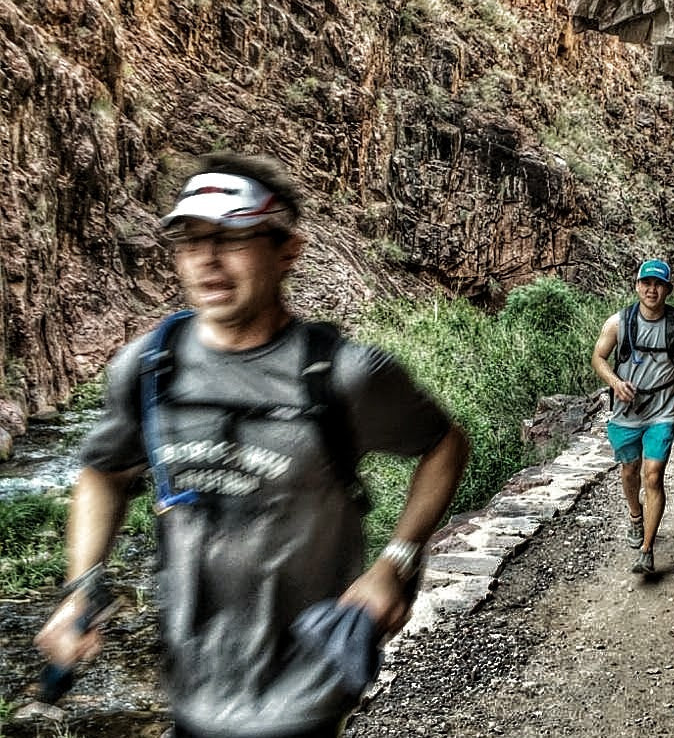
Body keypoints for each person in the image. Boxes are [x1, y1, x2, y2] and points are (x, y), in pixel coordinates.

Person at [36, 152, 469, 738]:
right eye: (190, 240)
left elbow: (444, 445)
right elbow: (103, 473)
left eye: (231, 237)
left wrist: (396, 561)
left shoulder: (344, 375)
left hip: (302, 698)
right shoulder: (147, 369)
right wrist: (81, 587)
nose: (207, 260)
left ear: (286, 249)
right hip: (191, 692)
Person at [591, 258, 674, 575]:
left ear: (668, 289)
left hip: (662, 409)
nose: (651, 289)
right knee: (629, 470)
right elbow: (598, 357)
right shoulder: (618, 322)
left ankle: (646, 550)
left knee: (653, 475)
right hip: (625, 411)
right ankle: (635, 515)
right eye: (646, 283)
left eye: (658, 284)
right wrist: (615, 382)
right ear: (637, 285)